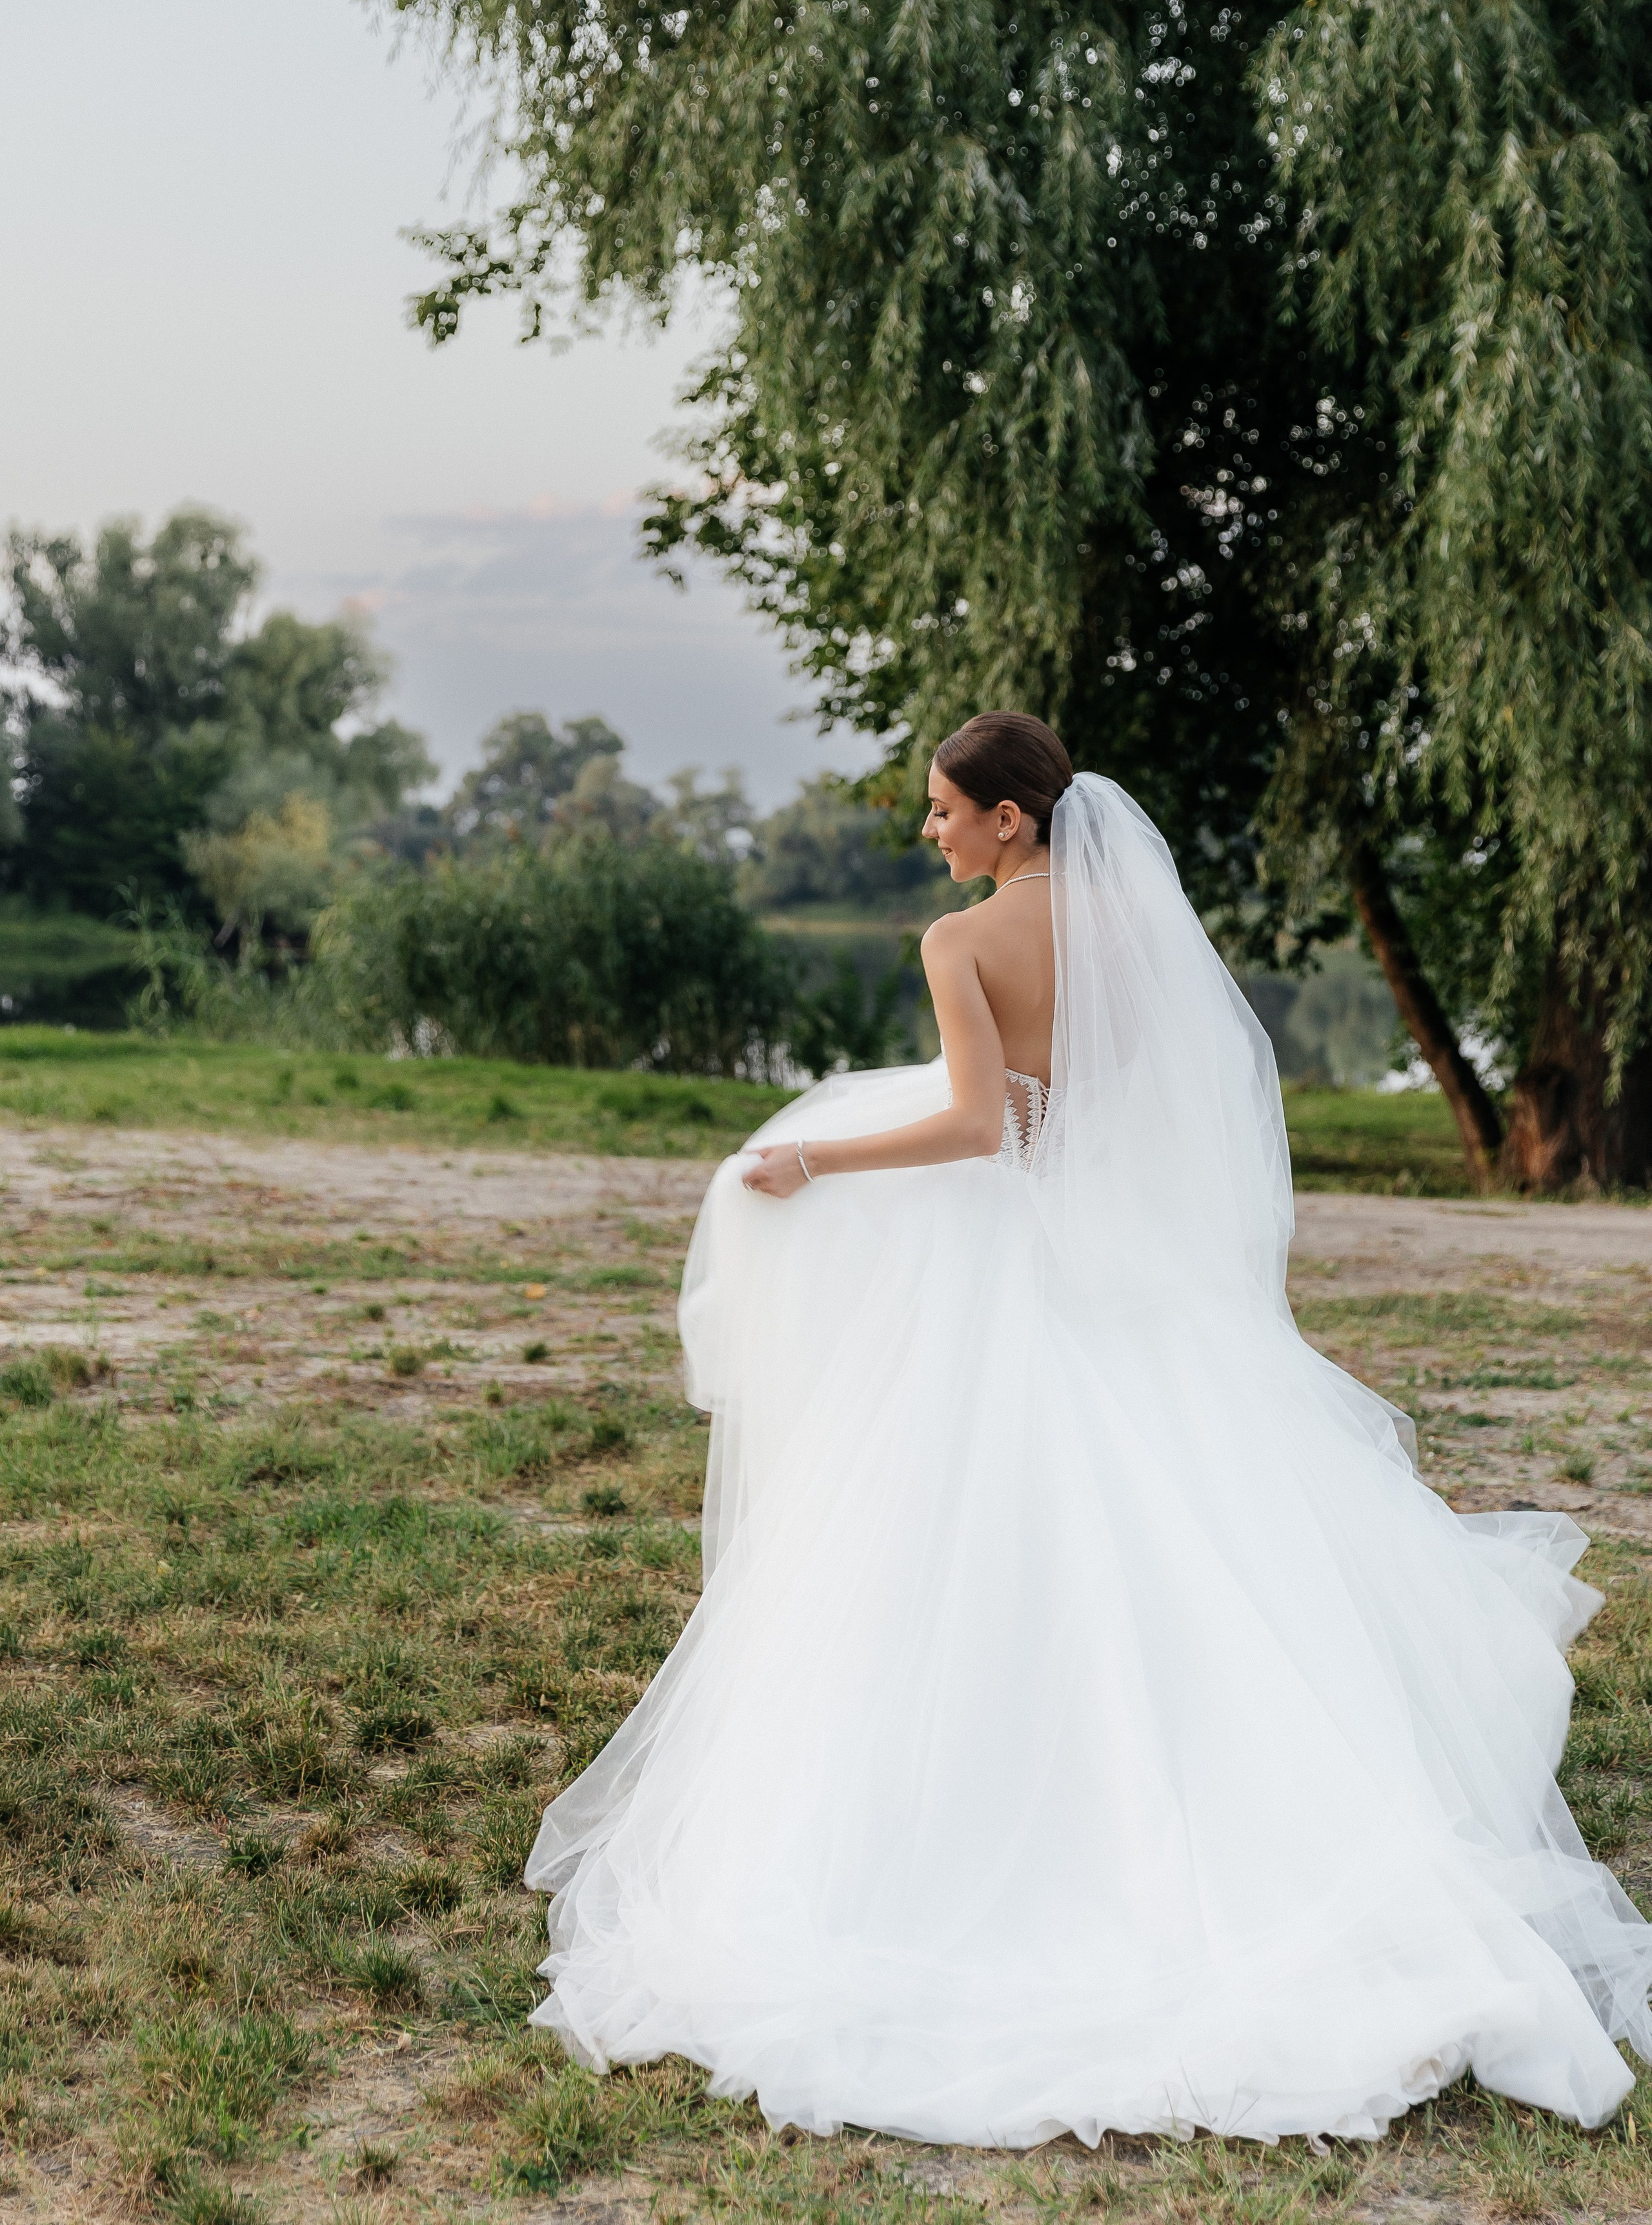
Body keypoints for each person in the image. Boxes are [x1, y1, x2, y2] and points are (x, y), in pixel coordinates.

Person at [526, 713, 1652, 2147]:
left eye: (942, 810)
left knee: (949, 1540)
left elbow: (977, 1126)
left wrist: (813, 1156)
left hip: (1007, 1269)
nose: (928, 832)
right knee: (1179, 1538)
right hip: (1118, 1276)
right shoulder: (1132, 928)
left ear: (1008, 819)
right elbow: (1129, 1112)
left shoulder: (960, 940)